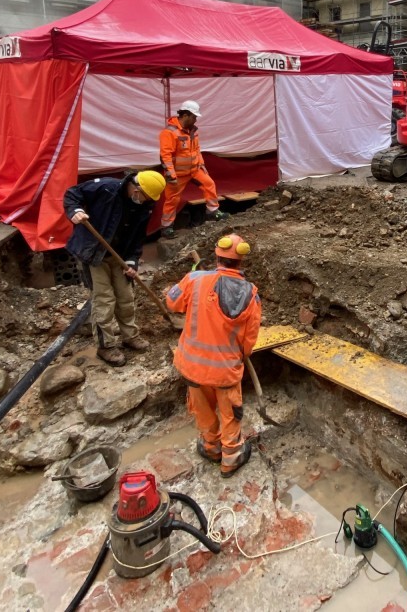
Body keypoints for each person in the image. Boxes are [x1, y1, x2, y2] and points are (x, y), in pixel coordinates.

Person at [166, 233, 262, 478]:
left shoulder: (195, 279)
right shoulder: (251, 294)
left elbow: (172, 302)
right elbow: (249, 340)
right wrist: (240, 355)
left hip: (192, 365)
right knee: (230, 411)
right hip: (225, 369)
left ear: (216, 255)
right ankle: (231, 457)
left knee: (202, 408)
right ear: (242, 262)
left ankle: (211, 447)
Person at [64, 170, 166, 367]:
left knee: (125, 296)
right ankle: (106, 346)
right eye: (144, 197)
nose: (145, 201)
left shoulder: (144, 207)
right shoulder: (106, 188)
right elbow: (72, 193)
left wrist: (131, 262)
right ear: (136, 189)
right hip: (94, 253)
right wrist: (74, 210)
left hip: (119, 256)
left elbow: (137, 238)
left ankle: (130, 336)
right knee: (104, 299)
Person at [158, 100, 228, 239]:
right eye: (194, 116)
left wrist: (201, 165)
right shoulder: (169, 133)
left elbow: (196, 149)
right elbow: (165, 155)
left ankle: (213, 211)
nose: (196, 119)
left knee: (209, 184)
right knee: (172, 200)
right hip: (177, 174)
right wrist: (171, 175)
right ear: (185, 115)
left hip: (194, 170)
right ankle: (166, 227)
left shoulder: (193, 131)